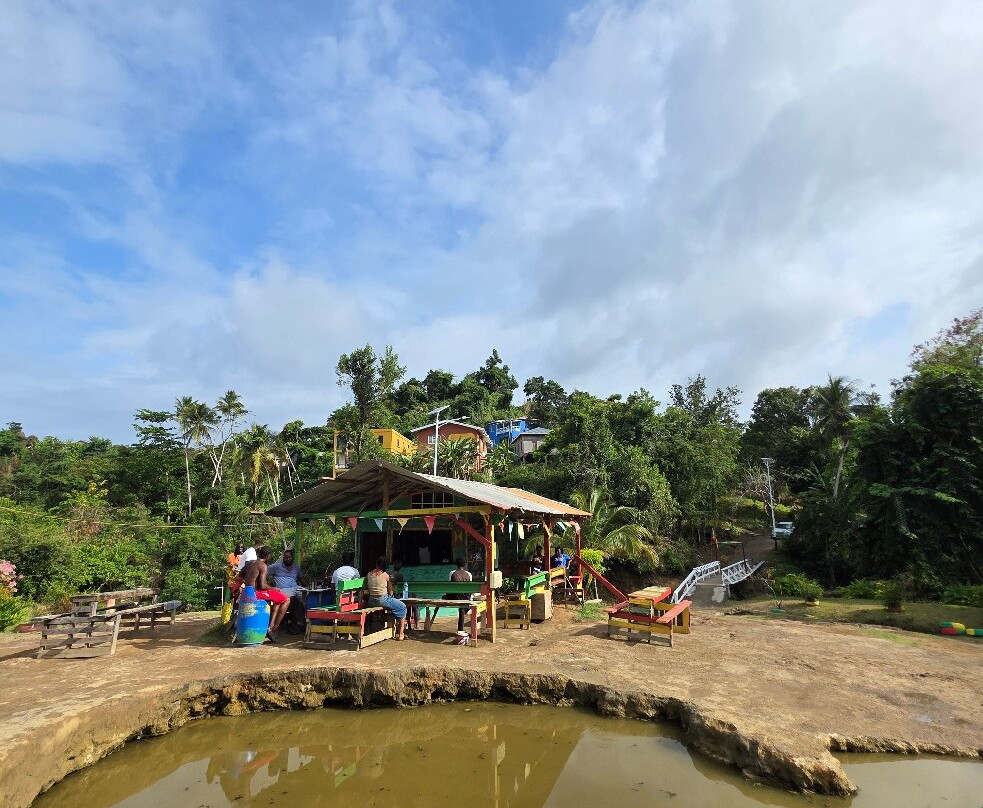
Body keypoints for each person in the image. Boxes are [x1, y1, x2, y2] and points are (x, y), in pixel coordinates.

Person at [240, 546, 289, 641]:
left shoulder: (250, 563)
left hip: (248, 591)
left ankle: (270, 625)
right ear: (268, 556)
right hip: (257, 593)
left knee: (278, 599)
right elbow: (263, 586)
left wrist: (250, 580)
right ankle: (275, 628)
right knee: (286, 599)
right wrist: (274, 588)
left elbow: (240, 574)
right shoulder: (263, 566)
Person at [365, 555, 407, 640]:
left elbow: (368, 588)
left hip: (371, 600)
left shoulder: (369, 574)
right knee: (402, 607)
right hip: (382, 600)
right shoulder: (385, 575)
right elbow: (391, 592)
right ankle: (401, 634)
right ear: (385, 566)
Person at [267, 549, 307, 633]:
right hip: (283, 590)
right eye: (285, 558)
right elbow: (263, 572)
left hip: (295, 588)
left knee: (307, 597)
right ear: (283, 558)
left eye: (289, 557)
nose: (287, 559)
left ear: (292, 558)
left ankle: (304, 622)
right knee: (291, 599)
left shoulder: (296, 566)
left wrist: (308, 586)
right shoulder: (276, 567)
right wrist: (269, 585)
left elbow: (301, 578)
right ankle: (289, 624)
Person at [448, 557, 473, 645]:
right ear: (465, 565)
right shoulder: (469, 574)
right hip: (466, 598)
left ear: (456, 565)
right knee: (462, 607)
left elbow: (449, 586)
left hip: (455, 597)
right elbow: (470, 588)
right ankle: (461, 628)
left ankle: (460, 629)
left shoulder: (452, 573)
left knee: (460, 607)